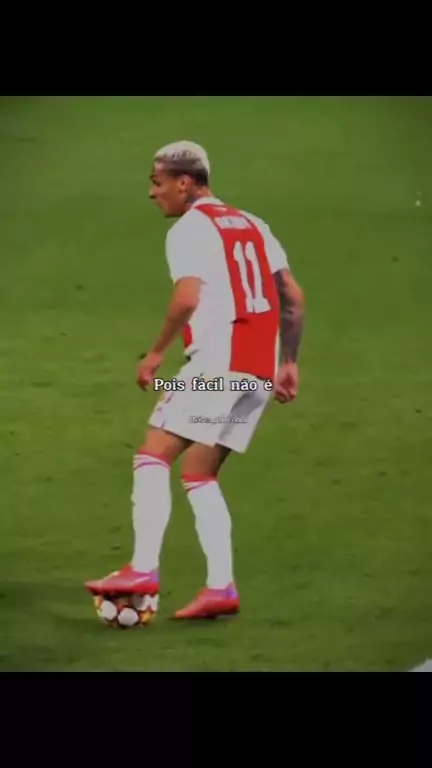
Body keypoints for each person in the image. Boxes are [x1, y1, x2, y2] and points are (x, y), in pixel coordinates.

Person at [85, 140, 305, 620]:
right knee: (200, 473)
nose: (152, 192)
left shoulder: (189, 229)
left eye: (157, 182)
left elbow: (186, 298)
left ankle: (143, 568)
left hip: (217, 370)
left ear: (184, 183)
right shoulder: (253, 223)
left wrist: (156, 352)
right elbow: (292, 296)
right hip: (257, 372)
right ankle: (221, 586)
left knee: (152, 454)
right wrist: (289, 362)